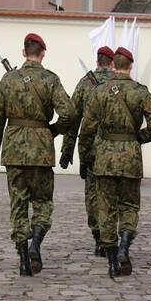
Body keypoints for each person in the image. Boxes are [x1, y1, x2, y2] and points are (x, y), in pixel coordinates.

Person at [0, 33, 75, 276]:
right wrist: (52, 131)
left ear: (23, 52)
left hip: (13, 151)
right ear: (42, 53)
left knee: (18, 204)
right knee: (43, 203)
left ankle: (24, 260)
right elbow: (70, 114)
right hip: (41, 152)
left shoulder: (8, 80)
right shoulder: (50, 80)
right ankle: (35, 245)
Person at [78, 46, 151, 278]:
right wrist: (139, 138)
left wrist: (85, 156)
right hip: (130, 157)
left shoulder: (100, 91)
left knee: (105, 207)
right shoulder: (140, 91)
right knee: (129, 206)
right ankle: (124, 247)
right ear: (130, 66)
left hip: (104, 156)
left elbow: (87, 128)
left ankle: (111, 260)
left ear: (113, 65)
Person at [59, 46, 115, 256]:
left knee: (93, 195)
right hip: (116, 149)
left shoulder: (86, 82)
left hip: (91, 148)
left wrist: (68, 150)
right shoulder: (119, 83)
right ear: (111, 62)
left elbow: (73, 118)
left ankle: (98, 237)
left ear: (97, 61)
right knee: (112, 195)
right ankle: (111, 236)